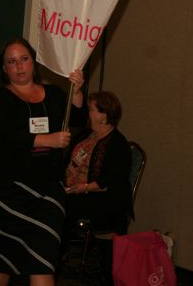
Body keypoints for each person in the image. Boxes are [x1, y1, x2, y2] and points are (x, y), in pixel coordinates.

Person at [0, 37, 86, 286]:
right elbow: (6, 136)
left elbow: (78, 116)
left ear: (33, 62)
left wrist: (77, 90)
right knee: (0, 264)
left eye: (24, 59)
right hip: (5, 192)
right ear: (4, 68)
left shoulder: (56, 94)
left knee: (43, 261)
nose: (19, 66)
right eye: (12, 62)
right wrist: (49, 140)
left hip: (46, 192)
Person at [63, 91, 132, 283]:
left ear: (104, 115)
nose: (88, 111)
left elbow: (112, 180)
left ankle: (57, 260)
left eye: (91, 109)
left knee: (60, 207)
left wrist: (83, 187)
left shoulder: (118, 144)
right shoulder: (87, 134)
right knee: (52, 199)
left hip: (105, 200)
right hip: (78, 192)